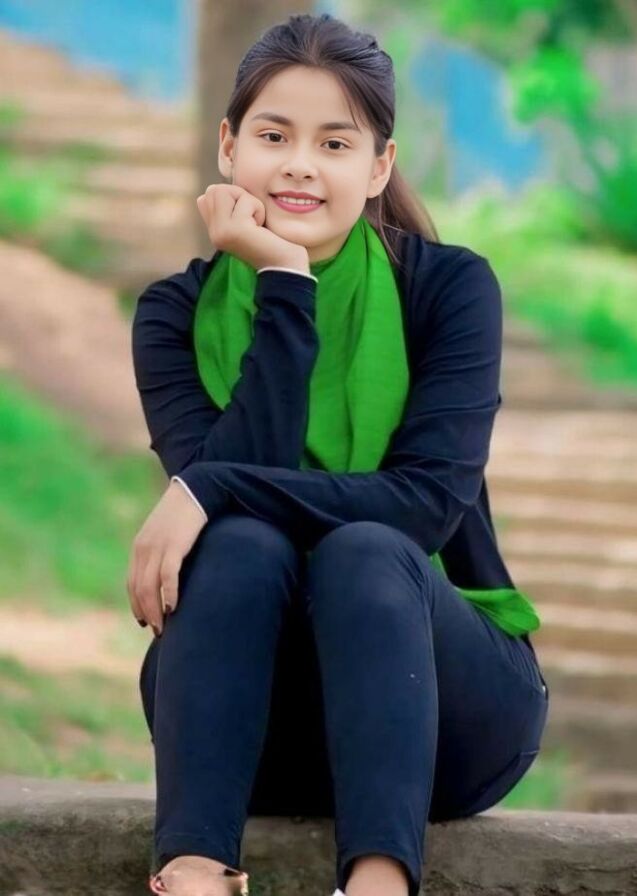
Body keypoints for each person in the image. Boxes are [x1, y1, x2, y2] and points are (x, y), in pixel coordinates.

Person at [127, 12, 550, 896]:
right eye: (273, 136)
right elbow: (236, 513)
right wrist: (284, 281)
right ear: (228, 146)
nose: (300, 165)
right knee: (240, 543)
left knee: (366, 548)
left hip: (446, 713)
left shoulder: (449, 290)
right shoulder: (174, 315)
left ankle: (379, 884)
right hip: (247, 723)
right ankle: (195, 873)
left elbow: (424, 506)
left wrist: (206, 484)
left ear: (380, 166)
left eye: (334, 143)